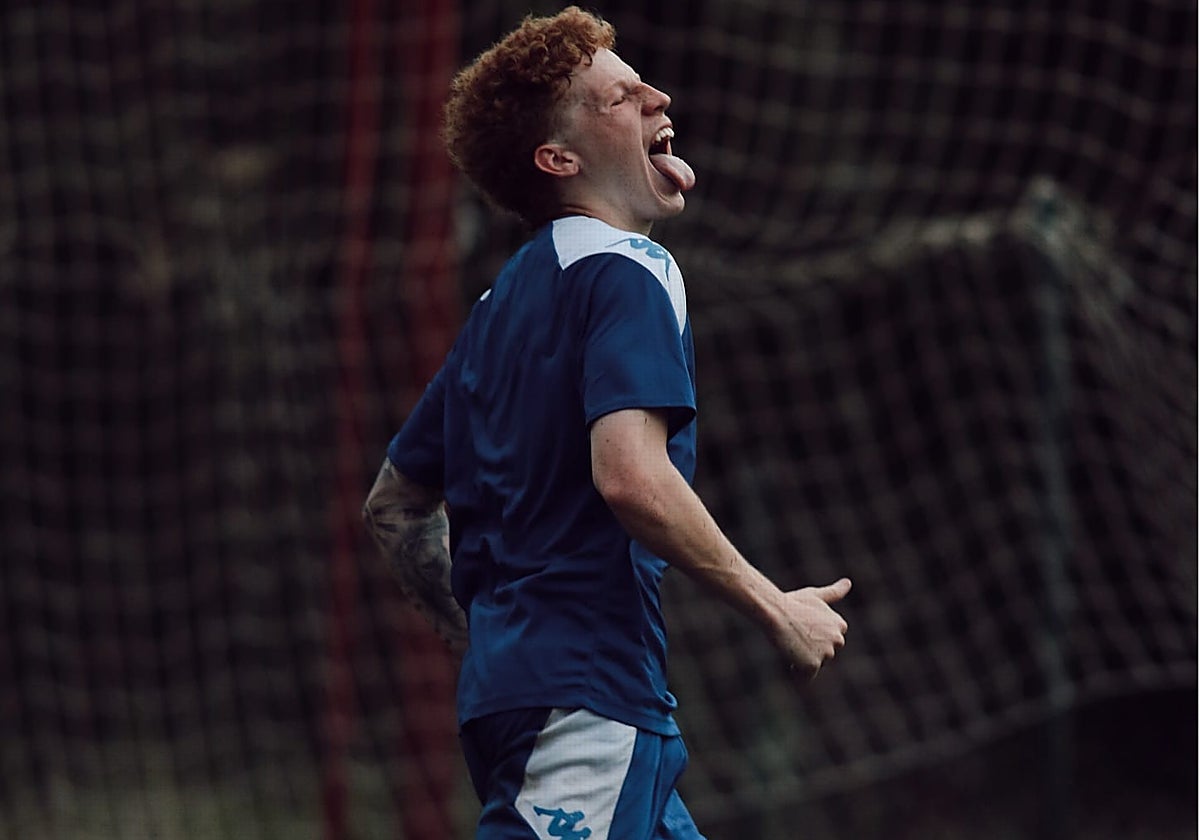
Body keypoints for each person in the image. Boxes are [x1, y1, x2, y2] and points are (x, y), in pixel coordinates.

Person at [363, 7, 851, 839]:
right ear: (560, 159)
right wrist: (777, 609)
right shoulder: (629, 270)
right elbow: (629, 477)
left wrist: (492, 635)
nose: (659, 97)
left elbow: (395, 504)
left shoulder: (498, 309)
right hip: (585, 704)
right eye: (623, 96)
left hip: (537, 696)